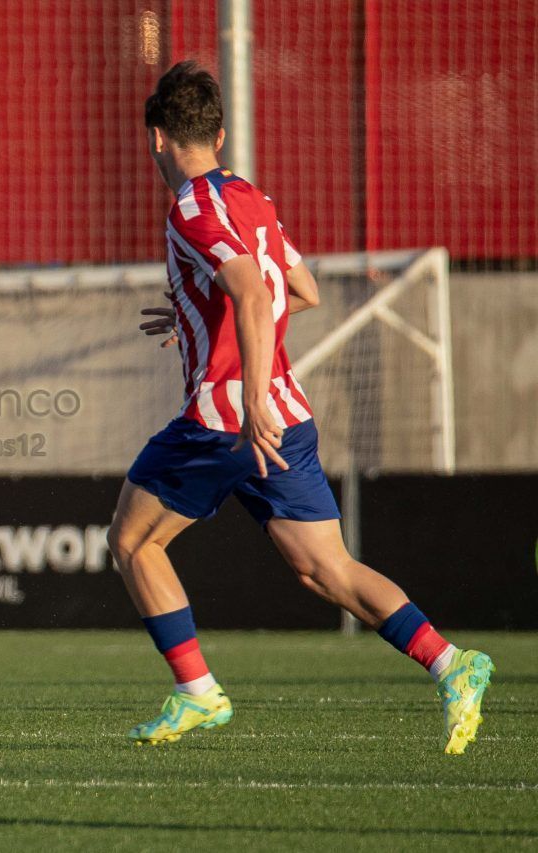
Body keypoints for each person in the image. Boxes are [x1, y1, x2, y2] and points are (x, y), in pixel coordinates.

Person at [111, 62, 490, 753]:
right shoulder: (251, 197)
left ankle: (197, 692)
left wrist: (250, 395)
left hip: (229, 419)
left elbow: (255, 295)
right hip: (286, 416)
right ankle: (451, 663)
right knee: (326, 568)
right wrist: (195, 315)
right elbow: (302, 289)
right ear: (219, 136)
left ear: (157, 138)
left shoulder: (191, 208)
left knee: (134, 541)